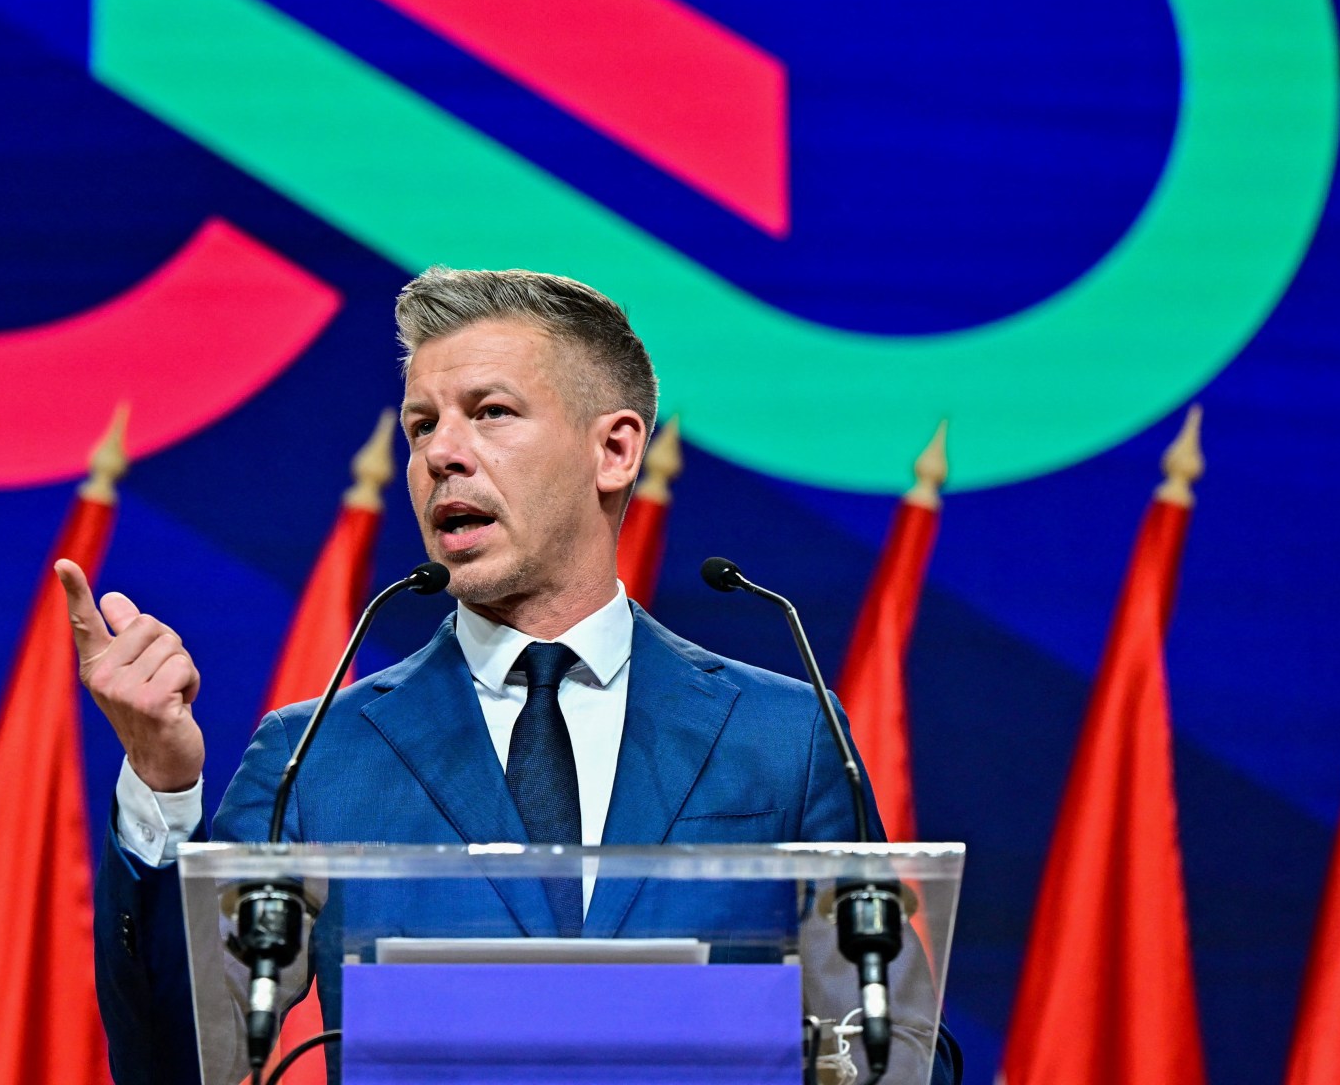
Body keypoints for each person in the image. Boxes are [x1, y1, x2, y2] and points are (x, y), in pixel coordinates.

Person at [62, 267, 960, 1085]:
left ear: (615, 451)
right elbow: (183, 1063)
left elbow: (894, 1048)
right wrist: (162, 786)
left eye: (489, 412)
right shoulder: (317, 753)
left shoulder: (785, 736)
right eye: (422, 425)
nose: (440, 454)